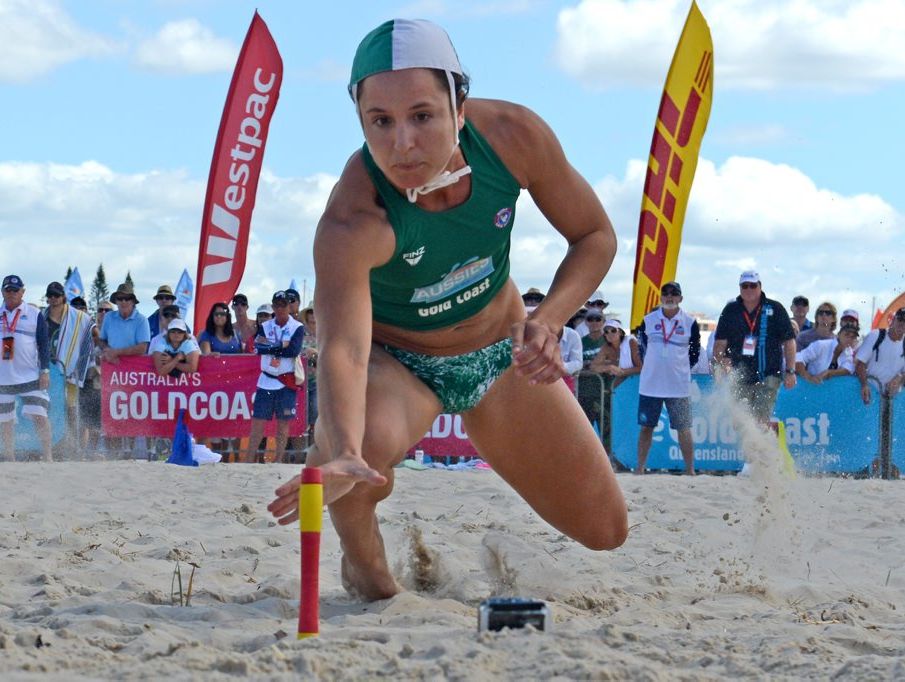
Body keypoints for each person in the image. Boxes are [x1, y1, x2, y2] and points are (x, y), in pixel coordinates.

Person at [267, 19, 627, 601]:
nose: (402, 143)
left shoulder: (512, 136)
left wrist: (547, 320)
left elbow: (594, 235)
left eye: (421, 115)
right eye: (380, 121)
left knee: (606, 531)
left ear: (459, 107)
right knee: (354, 462)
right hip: (402, 366)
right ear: (360, 120)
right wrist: (346, 449)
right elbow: (345, 349)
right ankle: (366, 569)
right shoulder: (354, 220)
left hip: (501, 352)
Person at [712, 271, 796, 423]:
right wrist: (720, 361)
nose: (749, 289)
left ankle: (764, 437)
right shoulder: (731, 310)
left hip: (769, 374)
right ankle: (766, 437)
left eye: (753, 285)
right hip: (739, 375)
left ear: (760, 286)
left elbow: (789, 341)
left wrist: (790, 371)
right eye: (745, 286)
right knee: (740, 422)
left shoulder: (775, 308)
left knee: (760, 419)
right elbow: (720, 342)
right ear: (740, 288)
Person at [635, 282, 700, 475]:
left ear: (681, 298)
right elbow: (641, 348)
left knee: (684, 428)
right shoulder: (648, 320)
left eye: (674, 293)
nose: (670, 297)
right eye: (666, 293)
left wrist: (679, 368)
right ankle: (640, 469)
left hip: (678, 386)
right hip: (650, 385)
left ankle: (690, 470)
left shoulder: (689, 322)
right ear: (661, 297)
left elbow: (695, 353)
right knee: (646, 427)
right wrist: (653, 366)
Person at [243, 291, 304, 464]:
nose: (280, 309)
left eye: (283, 305)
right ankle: (248, 459)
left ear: (289, 306)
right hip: (266, 379)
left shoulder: (297, 327)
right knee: (258, 422)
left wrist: (271, 347)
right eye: (276, 305)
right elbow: (258, 348)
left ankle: (278, 460)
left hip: (286, 380)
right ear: (273, 306)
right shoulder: (266, 326)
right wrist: (280, 346)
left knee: (283, 424)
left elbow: (293, 350)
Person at [0, 275, 52, 461]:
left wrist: (45, 371)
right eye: (8, 290)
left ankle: (48, 456)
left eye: (15, 290)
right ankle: (10, 457)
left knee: (40, 416)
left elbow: (44, 345)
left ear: (23, 291)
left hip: (30, 375)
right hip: (3, 377)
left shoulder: (34, 313)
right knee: (5, 420)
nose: (12, 293)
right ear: (2, 292)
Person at [41, 280, 95, 457]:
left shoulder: (76, 317)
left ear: (63, 297)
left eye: (57, 295)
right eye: (50, 295)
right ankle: (54, 447)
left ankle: (79, 449)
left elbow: (91, 329)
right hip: (47, 370)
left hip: (68, 370)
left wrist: (102, 344)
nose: (53, 298)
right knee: (47, 409)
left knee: (71, 409)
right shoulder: (41, 317)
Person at [854, 307, 905, 404]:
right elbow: (860, 364)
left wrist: (899, 379)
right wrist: (864, 385)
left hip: (892, 402)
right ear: (893, 320)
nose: (902, 324)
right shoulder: (875, 335)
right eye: (900, 319)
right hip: (869, 395)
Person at [795, 323, 859, 383]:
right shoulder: (821, 345)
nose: (849, 339)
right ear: (839, 335)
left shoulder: (849, 352)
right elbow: (798, 358)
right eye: (847, 335)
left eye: (853, 337)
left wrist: (830, 372)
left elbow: (848, 369)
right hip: (808, 385)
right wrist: (808, 377)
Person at [590, 319, 642, 389]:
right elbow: (593, 366)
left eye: (613, 330)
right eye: (606, 332)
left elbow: (642, 367)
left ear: (620, 332)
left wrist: (623, 372)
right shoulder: (606, 347)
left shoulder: (631, 342)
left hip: (638, 382)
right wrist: (609, 367)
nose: (610, 334)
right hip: (622, 385)